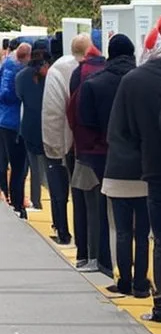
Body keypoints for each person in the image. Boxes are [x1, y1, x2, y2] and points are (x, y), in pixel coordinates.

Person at [108, 24, 161, 323]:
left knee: (159, 238)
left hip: (153, 170)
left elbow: (121, 130)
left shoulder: (134, 79)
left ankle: (159, 302)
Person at [78, 34, 145, 297]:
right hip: (144, 163)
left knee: (119, 226)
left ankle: (121, 276)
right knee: (143, 230)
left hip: (110, 160)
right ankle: (142, 282)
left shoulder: (93, 83)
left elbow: (87, 122)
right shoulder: (144, 80)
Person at [42, 32, 92, 258]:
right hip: (93, 145)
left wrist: (53, 146)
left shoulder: (58, 70)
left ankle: (67, 235)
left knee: (67, 193)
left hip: (68, 143)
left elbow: (52, 112)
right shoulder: (97, 68)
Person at [67, 43, 112, 275]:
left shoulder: (80, 75)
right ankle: (105, 259)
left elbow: (74, 112)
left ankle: (87, 255)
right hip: (116, 152)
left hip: (87, 152)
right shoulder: (117, 75)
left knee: (88, 205)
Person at [15, 38, 52, 214]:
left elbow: (19, 96)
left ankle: (36, 200)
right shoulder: (50, 74)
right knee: (50, 165)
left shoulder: (21, 76)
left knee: (33, 165)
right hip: (48, 123)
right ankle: (54, 199)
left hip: (29, 123)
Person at [0, 42, 31, 218]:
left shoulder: (6, 66)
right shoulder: (19, 73)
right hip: (15, 123)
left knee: (5, 162)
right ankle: (18, 204)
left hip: (4, 121)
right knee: (19, 167)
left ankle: (8, 197)